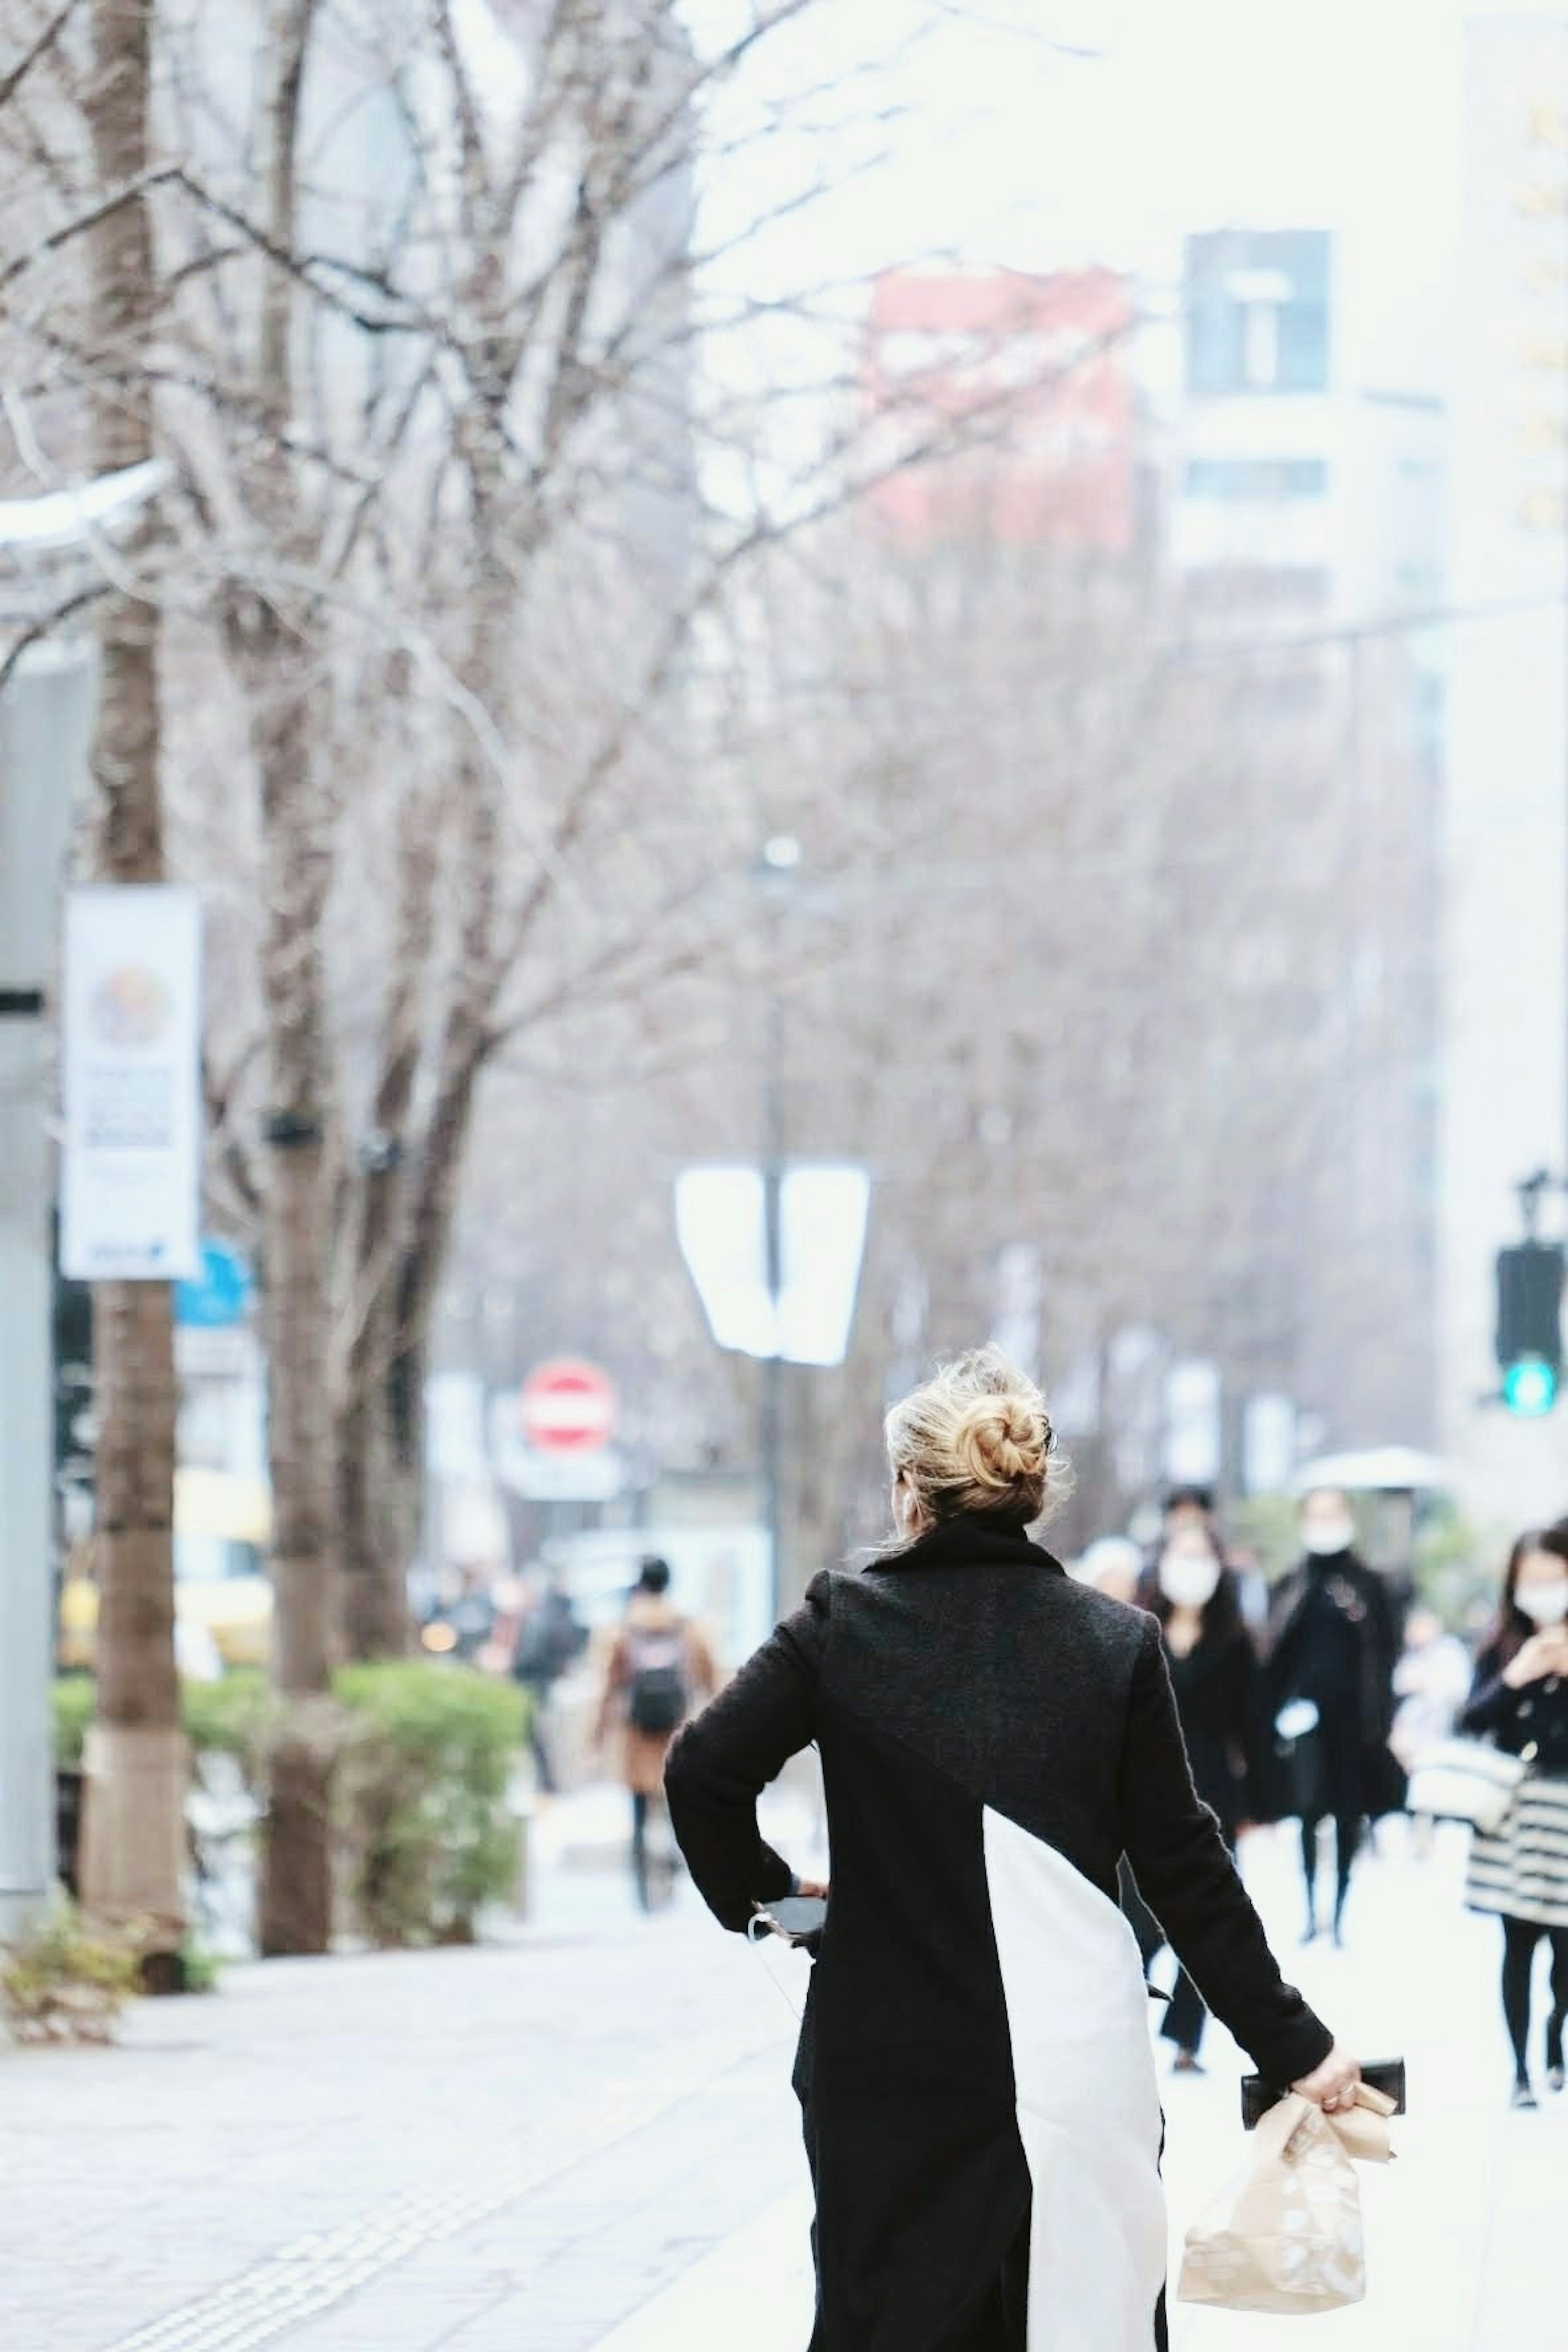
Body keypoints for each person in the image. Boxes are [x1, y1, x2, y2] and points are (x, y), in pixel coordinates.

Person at [666, 1348, 1357, 2352]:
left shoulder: (839, 1622)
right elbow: (1183, 1865)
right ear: (1029, 1491)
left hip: (884, 2059)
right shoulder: (1112, 1641)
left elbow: (701, 1772)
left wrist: (775, 1897)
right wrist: (1293, 2042)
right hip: (1071, 2061)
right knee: (1080, 2312)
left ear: (910, 1489)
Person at [1140, 1519, 1266, 2075]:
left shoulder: (1235, 1640)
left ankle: (1188, 2039)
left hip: (1213, 1790)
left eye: (1201, 1556)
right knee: (1136, 1920)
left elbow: (1252, 1726)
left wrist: (1258, 1806)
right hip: (1140, 1784)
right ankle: (1123, 2020)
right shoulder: (1136, 1630)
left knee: (1207, 1919)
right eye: (1181, 1554)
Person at [1459, 1528, 1568, 2109]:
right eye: (1533, 1580)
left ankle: (1557, 2029)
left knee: (1565, 1947)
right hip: (1516, 1812)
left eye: (1555, 1577)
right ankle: (1522, 2071)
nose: (1544, 1592)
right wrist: (1518, 1676)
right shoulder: (1504, 1644)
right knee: (1518, 1943)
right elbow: (1470, 1720)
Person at [1265, 1486, 1402, 1945]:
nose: (1325, 1522)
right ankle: (1309, 1909)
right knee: (1307, 1812)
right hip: (1303, 1718)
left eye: (1333, 1513)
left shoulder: (1369, 1584)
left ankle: (1340, 1912)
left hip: (1356, 1722)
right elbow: (1275, 1656)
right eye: (1317, 1514)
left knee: (1348, 1814)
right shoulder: (1291, 1581)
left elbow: (1386, 1655)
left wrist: (1382, 1720)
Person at [594, 1557, 719, 1910]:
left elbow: (608, 1685)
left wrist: (596, 1739)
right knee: (676, 1806)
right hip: (676, 1733)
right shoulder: (687, 1627)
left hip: (636, 1736)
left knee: (638, 1812)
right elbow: (711, 1677)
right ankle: (674, 1873)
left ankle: (642, 1890)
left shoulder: (622, 1628)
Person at [511, 1572, 588, 1796]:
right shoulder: (548, 1615)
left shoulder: (537, 1620)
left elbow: (529, 1657)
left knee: (542, 1740)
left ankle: (549, 1784)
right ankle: (550, 1783)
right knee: (546, 1739)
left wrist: (512, 1667)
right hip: (545, 1686)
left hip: (537, 1687)